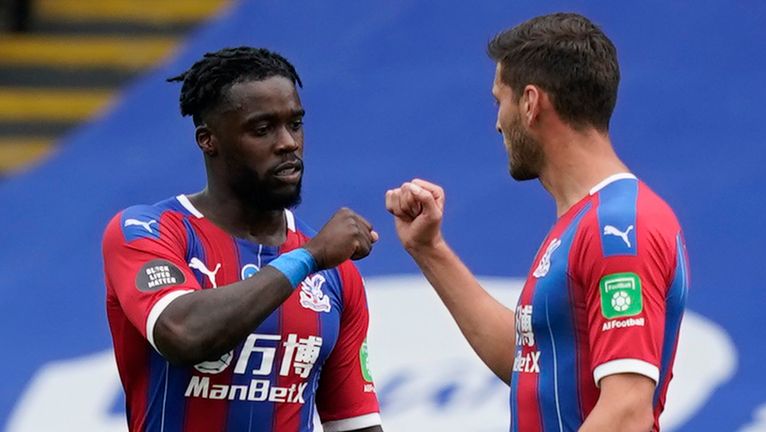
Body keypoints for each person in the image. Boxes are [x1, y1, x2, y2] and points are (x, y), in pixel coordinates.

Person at [386, 13, 688, 432]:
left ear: (530, 103)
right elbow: (532, 362)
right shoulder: (586, 221)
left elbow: (626, 413)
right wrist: (429, 249)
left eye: (499, 101)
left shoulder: (619, 225)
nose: (497, 123)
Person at [103, 47, 383, 432]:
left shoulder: (336, 274)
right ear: (208, 140)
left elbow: (356, 425)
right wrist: (310, 256)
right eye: (262, 128)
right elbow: (183, 333)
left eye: (295, 124)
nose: (288, 143)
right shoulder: (149, 231)